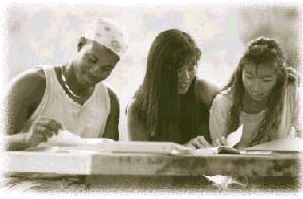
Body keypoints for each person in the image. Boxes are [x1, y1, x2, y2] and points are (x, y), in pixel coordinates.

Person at [4, 18, 129, 151]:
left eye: (106, 68)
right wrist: (25, 139)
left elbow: (107, 160)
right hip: (23, 172)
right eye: (92, 60)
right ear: (80, 45)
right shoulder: (33, 84)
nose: (95, 71)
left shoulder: (109, 101)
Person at [126, 29, 219, 148]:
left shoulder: (205, 92)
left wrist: (222, 144)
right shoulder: (138, 109)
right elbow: (140, 163)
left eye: (191, 68)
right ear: (160, 70)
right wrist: (182, 151)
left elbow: (239, 103)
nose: (186, 77)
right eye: (178, 70)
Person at [209, 36, 300, 149]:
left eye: (266, 80)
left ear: (279, 79)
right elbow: (217, 151)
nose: (256, 88)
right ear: (240, 73)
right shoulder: (223, 103)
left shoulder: (290, 95)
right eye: (249, 77)